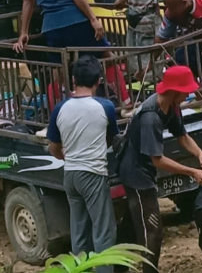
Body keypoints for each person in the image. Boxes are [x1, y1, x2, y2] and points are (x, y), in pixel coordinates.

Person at [118, 66, 202, 273]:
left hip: (143, 171)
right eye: (186, 90)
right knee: (152, 231)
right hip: (136, 175)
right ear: (175, 90)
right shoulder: (150, 117)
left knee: (130, 228)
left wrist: (200, 154)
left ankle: (115, 268)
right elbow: (157, 160)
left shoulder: (171, 105)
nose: (189, 94)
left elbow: (182, 135)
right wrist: (192, 172)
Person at [47, 56, 118, 273]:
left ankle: (80, 270)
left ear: (73, 79)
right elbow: (111, 139)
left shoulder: (60, 109)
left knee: (79, 229)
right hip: (93, 173)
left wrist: (66, 157)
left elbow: (53, 148)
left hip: (71, 175)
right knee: (103, 230)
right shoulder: (105, 107)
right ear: (98, 81)